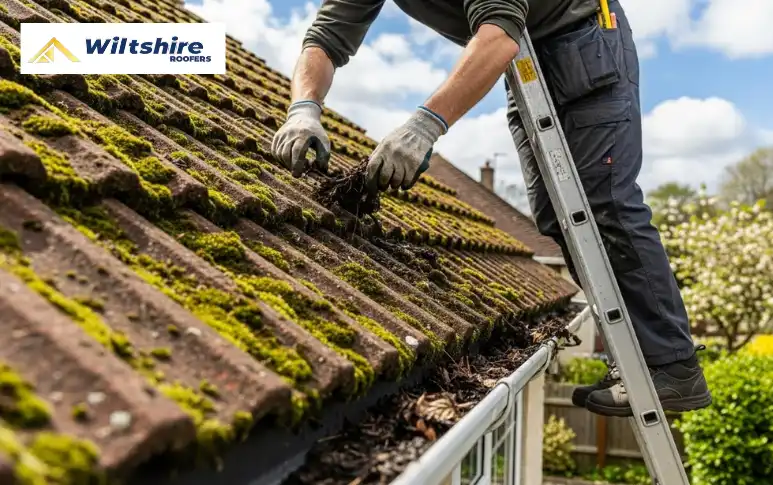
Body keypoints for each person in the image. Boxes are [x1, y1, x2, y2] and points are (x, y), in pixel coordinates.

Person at [270, 0, 712, 418]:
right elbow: (325, 38)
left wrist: (425, 125)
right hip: (528, 66)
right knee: (558, 219)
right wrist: (303, 108)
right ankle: (638, 360)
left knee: (605, 204)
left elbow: (499, 36)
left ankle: (671, 366)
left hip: (583, 41)